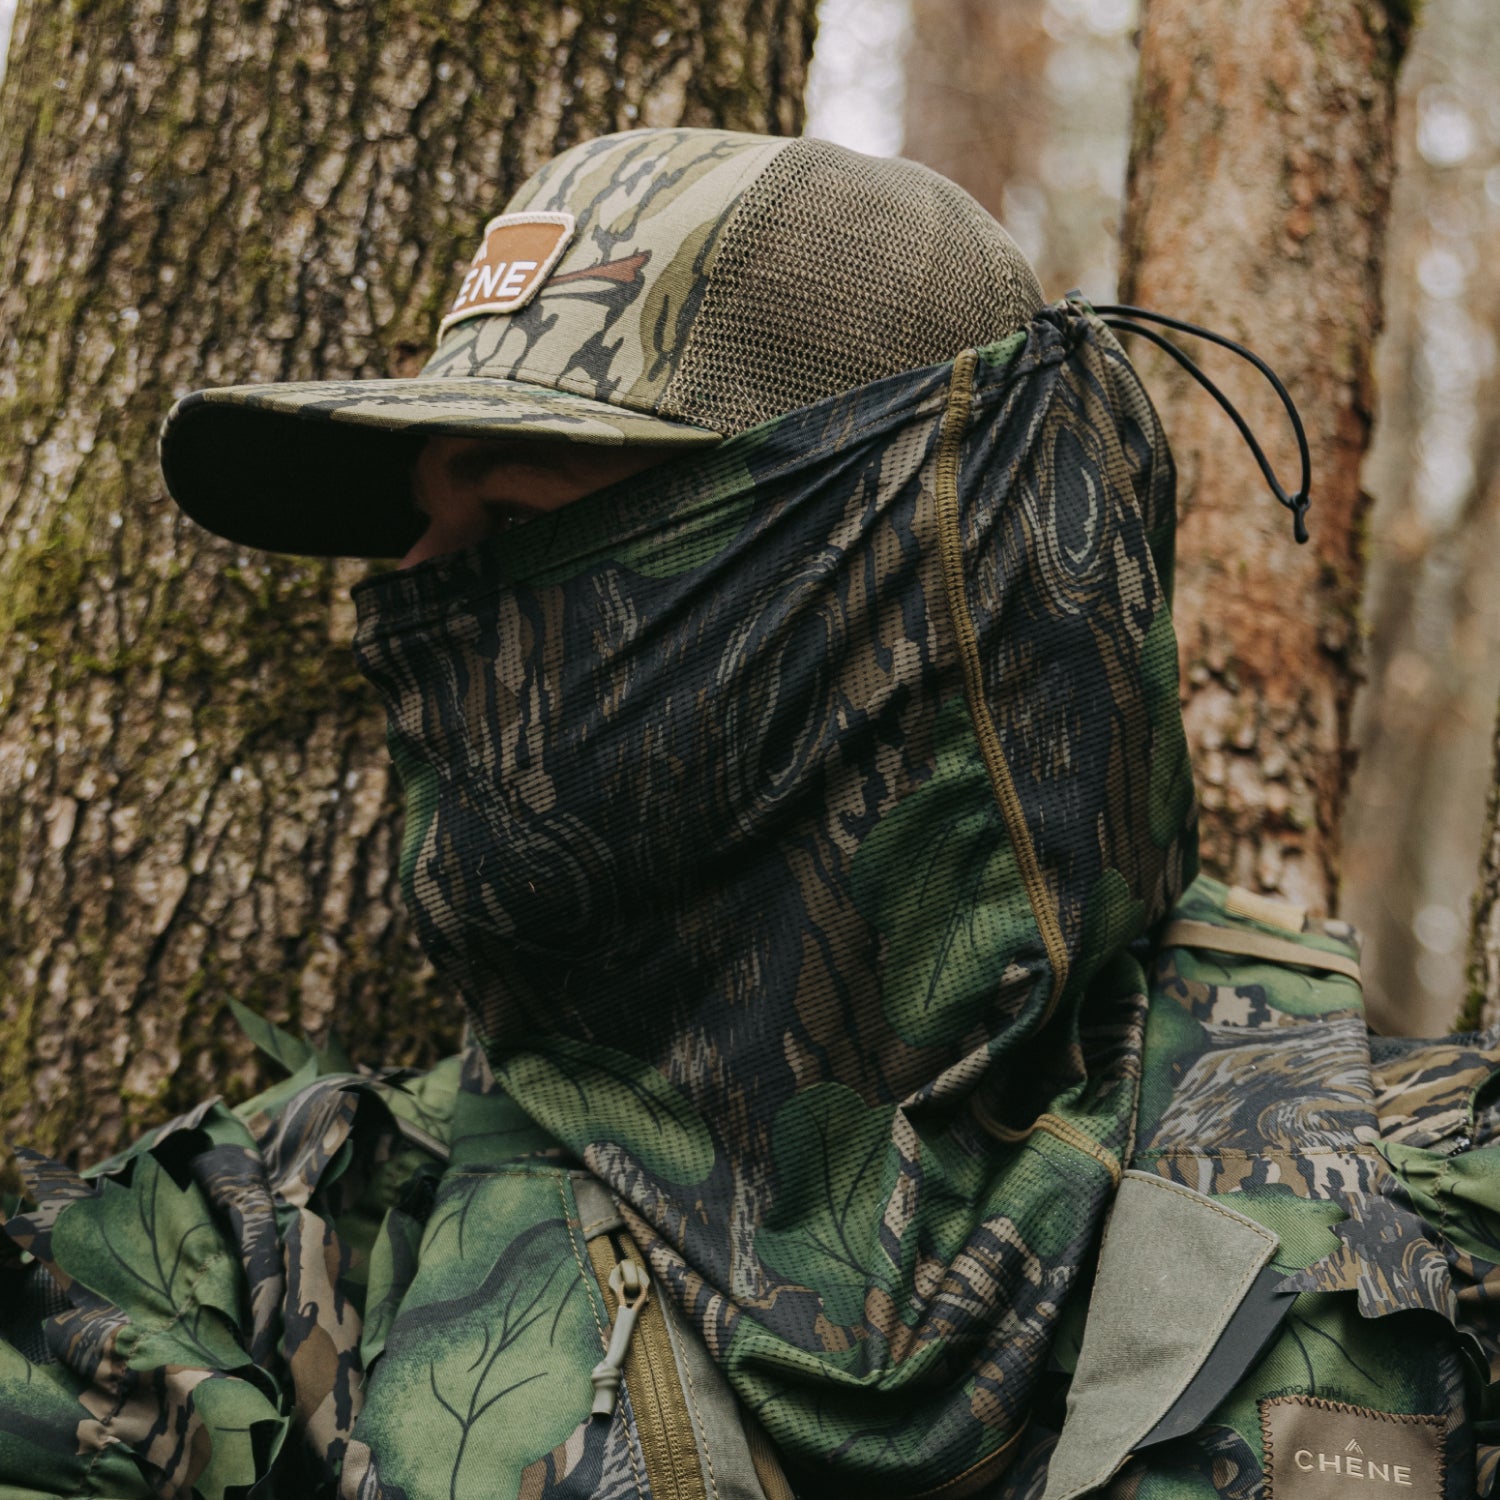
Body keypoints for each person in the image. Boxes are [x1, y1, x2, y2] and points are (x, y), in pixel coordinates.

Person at [3, 126, 1496, 1500]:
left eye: (510, 528)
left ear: (857, 581)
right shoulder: (277, 1262)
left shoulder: (1428, 1227)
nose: (409, 608)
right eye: (416, 535)